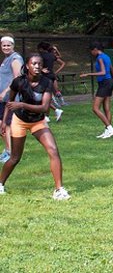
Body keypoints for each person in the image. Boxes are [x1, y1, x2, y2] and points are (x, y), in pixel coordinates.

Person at [0, 54, 71, 200]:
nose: (37, 66)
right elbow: (10, 101)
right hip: (19, 121)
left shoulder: (46, 83)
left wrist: (22, 104)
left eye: (39, 64)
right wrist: (4, 121)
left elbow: (45, 108)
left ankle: (59, 190)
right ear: (27, 66)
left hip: (38, 122)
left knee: (53, 150)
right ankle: (0, 183)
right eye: (33, 64)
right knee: (15, 157)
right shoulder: (19, 82)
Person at [80, 42, 113, 139]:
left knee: (95, 108)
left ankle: (110, 128)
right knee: (106, 108)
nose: (91, 53)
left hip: (104, 83)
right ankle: (107, 131)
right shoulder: (107, 57)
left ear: (95, 49)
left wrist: (88, 74)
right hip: (109, 82)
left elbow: (103, 72)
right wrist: (112, 79)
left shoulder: (100, 58)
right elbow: (112, 70)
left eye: (91, 51)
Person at [0, 36, 23, 163]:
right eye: (4, 45)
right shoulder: (6, 58)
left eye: (8, 45)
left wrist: (4, 92)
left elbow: (17, 78)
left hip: (11, 98)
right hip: (3, 99)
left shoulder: (15, 58)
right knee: (2, 124)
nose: (6, 47)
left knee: (7, 125)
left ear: (13, 46)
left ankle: (10, 153)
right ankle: (8, 150)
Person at [37, 42, 65, 122]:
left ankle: (54, 111)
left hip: (44, 77)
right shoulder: (52, 55)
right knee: (47, 97)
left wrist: (41, 69)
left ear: (41, 49)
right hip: (52, 76)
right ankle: (47, 116)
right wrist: (55, 72)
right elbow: (61, 61)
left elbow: (37, 64)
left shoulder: (41, 56)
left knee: (44, 97)